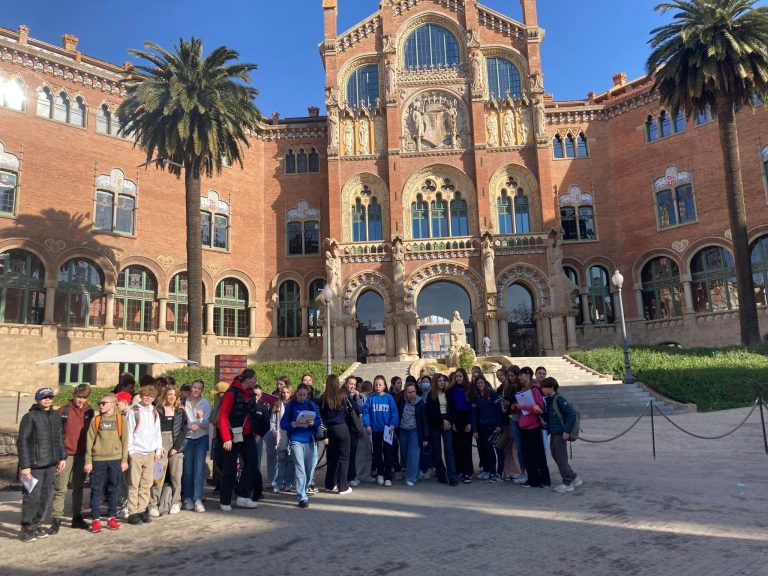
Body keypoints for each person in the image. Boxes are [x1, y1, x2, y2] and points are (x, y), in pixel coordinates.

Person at [16, 387, 67, 542]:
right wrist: (25, 466)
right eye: (44, 397)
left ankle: (36, 525)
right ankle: (27, 528)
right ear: (38, 399)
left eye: (50, 397)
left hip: (51, 464)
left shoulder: (55, 416)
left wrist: (62, 457)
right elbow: (22, 442)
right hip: (35, 465)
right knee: (32, 497)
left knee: (46, 496)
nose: (48, 400)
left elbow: (59, 438)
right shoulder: (30, 417)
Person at [51, 383, 93, 533]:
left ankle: (77, 516)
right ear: (74, 395)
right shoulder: (63, 411)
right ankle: (56, 518)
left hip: (82, 454)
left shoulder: (90, 412)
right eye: (79, 397)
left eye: (84, 398)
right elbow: (56, 435)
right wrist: (59, 455)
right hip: (66, 455)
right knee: (61, 487)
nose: (81, 400)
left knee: (79, 487)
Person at [217, 369, 260, 511]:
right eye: (254, 378)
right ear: (247, 379)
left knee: (252, 462)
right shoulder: (231, 393)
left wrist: (256, 433)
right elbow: (223, 416)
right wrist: (226, 438)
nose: (256, 381)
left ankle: (243, 495)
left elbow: (252, 415)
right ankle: (225, 500)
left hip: (247, 435)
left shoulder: (251, 394)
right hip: (232, 435)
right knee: (229, 468)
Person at [84, 393, 128, 533]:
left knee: (113, 488)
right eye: (100, 403)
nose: (101, 405)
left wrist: (124, 459)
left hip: (115, 458)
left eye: (104, 403)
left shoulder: (121, 420)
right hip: (98, 459)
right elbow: (90, 441)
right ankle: (95, 519)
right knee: (96, 489)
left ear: (113, 404)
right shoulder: (95, 420)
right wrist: (88, 461)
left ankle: (111, 517)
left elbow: (125, 441)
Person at [280, 383, 323, 508]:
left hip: (309, 439)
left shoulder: (310, 404)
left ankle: (304, 489)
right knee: (300, 467)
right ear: (296, 394)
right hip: (295, 440)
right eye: (300, 395)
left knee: (309, 469)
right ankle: (302, 497)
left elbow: (318, 421)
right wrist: (292, 424)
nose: (302, 397)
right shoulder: (291, 405)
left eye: (304, 395)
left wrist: (312, 422)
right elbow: (283, 423)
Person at [126, 384, 163, 525]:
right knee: (134, 483)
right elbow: (129, 433)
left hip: (150, 452)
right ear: (141, 396)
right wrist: (131, 451)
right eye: (146, 395)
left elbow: (156, 432)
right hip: (137, 451)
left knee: (146, 484)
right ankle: (133, 511)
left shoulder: (154, 412)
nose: (148, 398)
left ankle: (142, 509)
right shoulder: (133, 411)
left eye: (151, 396)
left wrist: (158, 449)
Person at [149, 386, 187, 516]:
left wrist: (176, 447)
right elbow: (153, 430)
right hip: (161, 443)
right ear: (165, 395)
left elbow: (184, 430)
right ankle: (153, 504)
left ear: (177, 397)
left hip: (176, 444)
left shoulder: (180, 412)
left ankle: (176, 502)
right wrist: (158, 447)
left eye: (174, 395)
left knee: (176, 476)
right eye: (169, 394)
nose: (171, 397)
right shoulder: (157, 411)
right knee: (158, 476)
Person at [541, 377, 583, 493]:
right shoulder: (550, 399)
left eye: (544, 387)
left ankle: (567, 482)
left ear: (551, 387)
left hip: (560, 433)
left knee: (561, 457)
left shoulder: (558, 399)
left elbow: (571, 414)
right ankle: (573, 477)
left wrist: (566, 431)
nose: (543, 390)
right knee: (556, 455)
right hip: (555, 432)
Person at [514, 367, 551, 488]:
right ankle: (533, 479)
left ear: (528, 375)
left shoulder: (534, 389)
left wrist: (524, 406)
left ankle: (545, 480)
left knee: (538, 454)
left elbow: (539, 407)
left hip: (533, 426)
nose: (519, 378)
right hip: (524, 426)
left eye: (521, 375)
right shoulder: (521, 390)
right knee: (528, 455)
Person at [363, 375, 399, 487]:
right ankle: (380, 473)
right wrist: (367, 425)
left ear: (384, 386)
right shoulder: (371, 399)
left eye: (380, 385)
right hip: (375, 430)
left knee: (388, 453)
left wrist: (393, 424)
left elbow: (394, 412)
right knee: (377, 453)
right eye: (376, 385)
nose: (378, 386)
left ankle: (388, 476)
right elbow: (366, 413)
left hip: (388, 430)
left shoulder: (389, 398)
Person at [319, 375, 353, 494]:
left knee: (331, 458)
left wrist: (324, 435)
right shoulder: (343, 396)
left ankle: (329, 484)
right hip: (342, 427)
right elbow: (353, 410)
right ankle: (343, 486)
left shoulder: (323, 398)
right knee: (344, 457)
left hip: (329, 429)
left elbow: (321, 417)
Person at [182, 380, 211, 513]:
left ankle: (197, 498)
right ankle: (187, 497)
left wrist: (199, 420)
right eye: (194, 387)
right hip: (187, 438)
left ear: (202, 390)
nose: (196, 390)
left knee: (199, 469)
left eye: (199, 388)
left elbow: (206, 424)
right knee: (188, 469)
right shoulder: (184, 403)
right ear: (191, 388)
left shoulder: (205, 403)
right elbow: (182, 422)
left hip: (201, 438)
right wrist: (190, 425)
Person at [425, 374, 457, 486]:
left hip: (447, 422)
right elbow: (430, 413)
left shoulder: (448, 393)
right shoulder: (430, 395)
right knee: (437, 451)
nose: (442, 382)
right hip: (436, 424)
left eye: (443, 380)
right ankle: (441, 474)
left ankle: (452, 476)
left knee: (449, 450)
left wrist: (448, 421)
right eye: (439, 381)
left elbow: (452, 409)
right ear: (435, 382)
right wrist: (441, 421)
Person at [471, 377, 503, 482]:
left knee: (499, 450)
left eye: (481, 382)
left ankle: (500, 473)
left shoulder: (492, 394)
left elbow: (499, 411)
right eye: (478, 383)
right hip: (483, 427)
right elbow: (474, 414)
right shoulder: (476, 397)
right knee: (489, 452)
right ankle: (492, 472)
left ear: (485, 382)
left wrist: (499, 425)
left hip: (495, 427)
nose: (480, 384)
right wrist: (475, 430)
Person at [396, 383, 428, 486]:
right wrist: (396, 431)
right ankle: (417, 473)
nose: (412, 394)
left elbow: (424, 421)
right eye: (409, 392)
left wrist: (425, 437)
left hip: (414, 431)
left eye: (413, 392)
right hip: (403, 430)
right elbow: (397, 415)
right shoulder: (401, 401)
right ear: (405, 393)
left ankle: (411, 478)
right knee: (405, 454)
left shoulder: (420, 403)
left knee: (413, 453)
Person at [449, 368, 474, 483]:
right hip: (456, 419)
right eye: (456, 376)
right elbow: (450, 407)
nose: (458, 378)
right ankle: (459, 470)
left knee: (466, 447)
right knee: (457, 447)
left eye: (460, 376)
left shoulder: (469, 388)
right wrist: (452, 421)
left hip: (466, 418)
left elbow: (472, 407)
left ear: (464, 377)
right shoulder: (451, 389)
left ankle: (468, 472)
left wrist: (470, 422)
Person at [271, 385, 295, 493]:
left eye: (287, 392)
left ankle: (288, 483)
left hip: (291, 436)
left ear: (291, 393)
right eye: (283, 392)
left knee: (290, 461)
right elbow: (272, 421)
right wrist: (274, 431)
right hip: (280, 436)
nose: (285, 394)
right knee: (280, 461)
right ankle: (277, 483)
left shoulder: (294, 405)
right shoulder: (277, 405)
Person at [249, 385, 271, 502]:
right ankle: (248, 487)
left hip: (257, 438)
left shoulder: (263, 407)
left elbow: (266, 424)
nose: (256, 397)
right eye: (254, 394)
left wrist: (259, 435)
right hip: (246, 438)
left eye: (258, 394)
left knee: (256, 464)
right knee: (245, 465)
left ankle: (257, 489)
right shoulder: (248, 405)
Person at [343, 375, 364, 487]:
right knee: (348, 454)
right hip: (346, 429)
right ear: (346, 383)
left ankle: (352, 475)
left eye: (354, 384)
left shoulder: (353, 397)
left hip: (354, 429)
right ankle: (349, 477)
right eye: (350, 383)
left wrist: (357, 398)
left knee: (353, 454)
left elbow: (360, 409)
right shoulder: (343, 397)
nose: (352, 386)